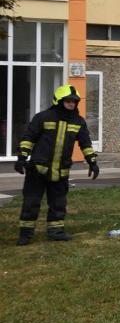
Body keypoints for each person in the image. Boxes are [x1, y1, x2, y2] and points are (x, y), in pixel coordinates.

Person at [14, 85, 99, 245]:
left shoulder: (78, 121)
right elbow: (29, 138)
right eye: (67, 101)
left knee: (58, 203)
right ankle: (25, 234)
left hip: (61, 171)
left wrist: (92, 162)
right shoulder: (43, 117)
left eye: (74, 102)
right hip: (38, 170)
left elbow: (85, 143)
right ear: (59, 101)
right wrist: (21, 157)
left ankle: (56, 231)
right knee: (31, 202)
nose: (71, 104)